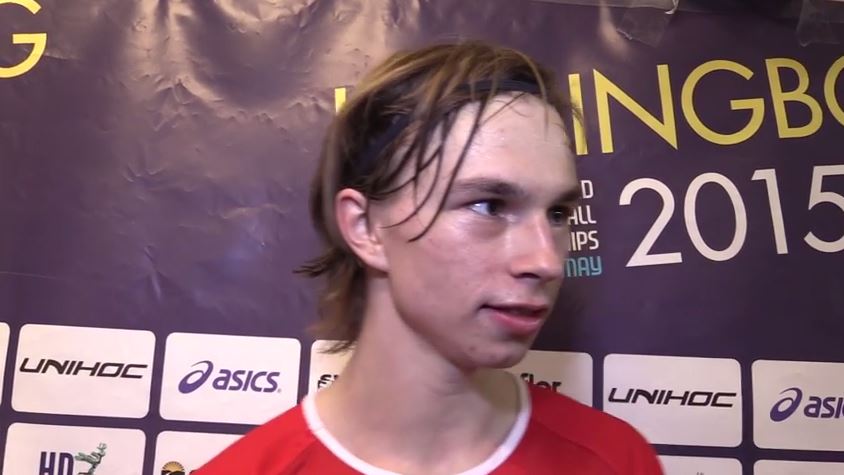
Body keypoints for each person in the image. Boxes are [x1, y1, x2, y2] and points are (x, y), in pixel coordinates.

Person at [198, 41, 663, 475]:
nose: (546, 262)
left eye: (558, 213)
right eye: (489, 205)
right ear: (365, 228)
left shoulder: (616, 460)